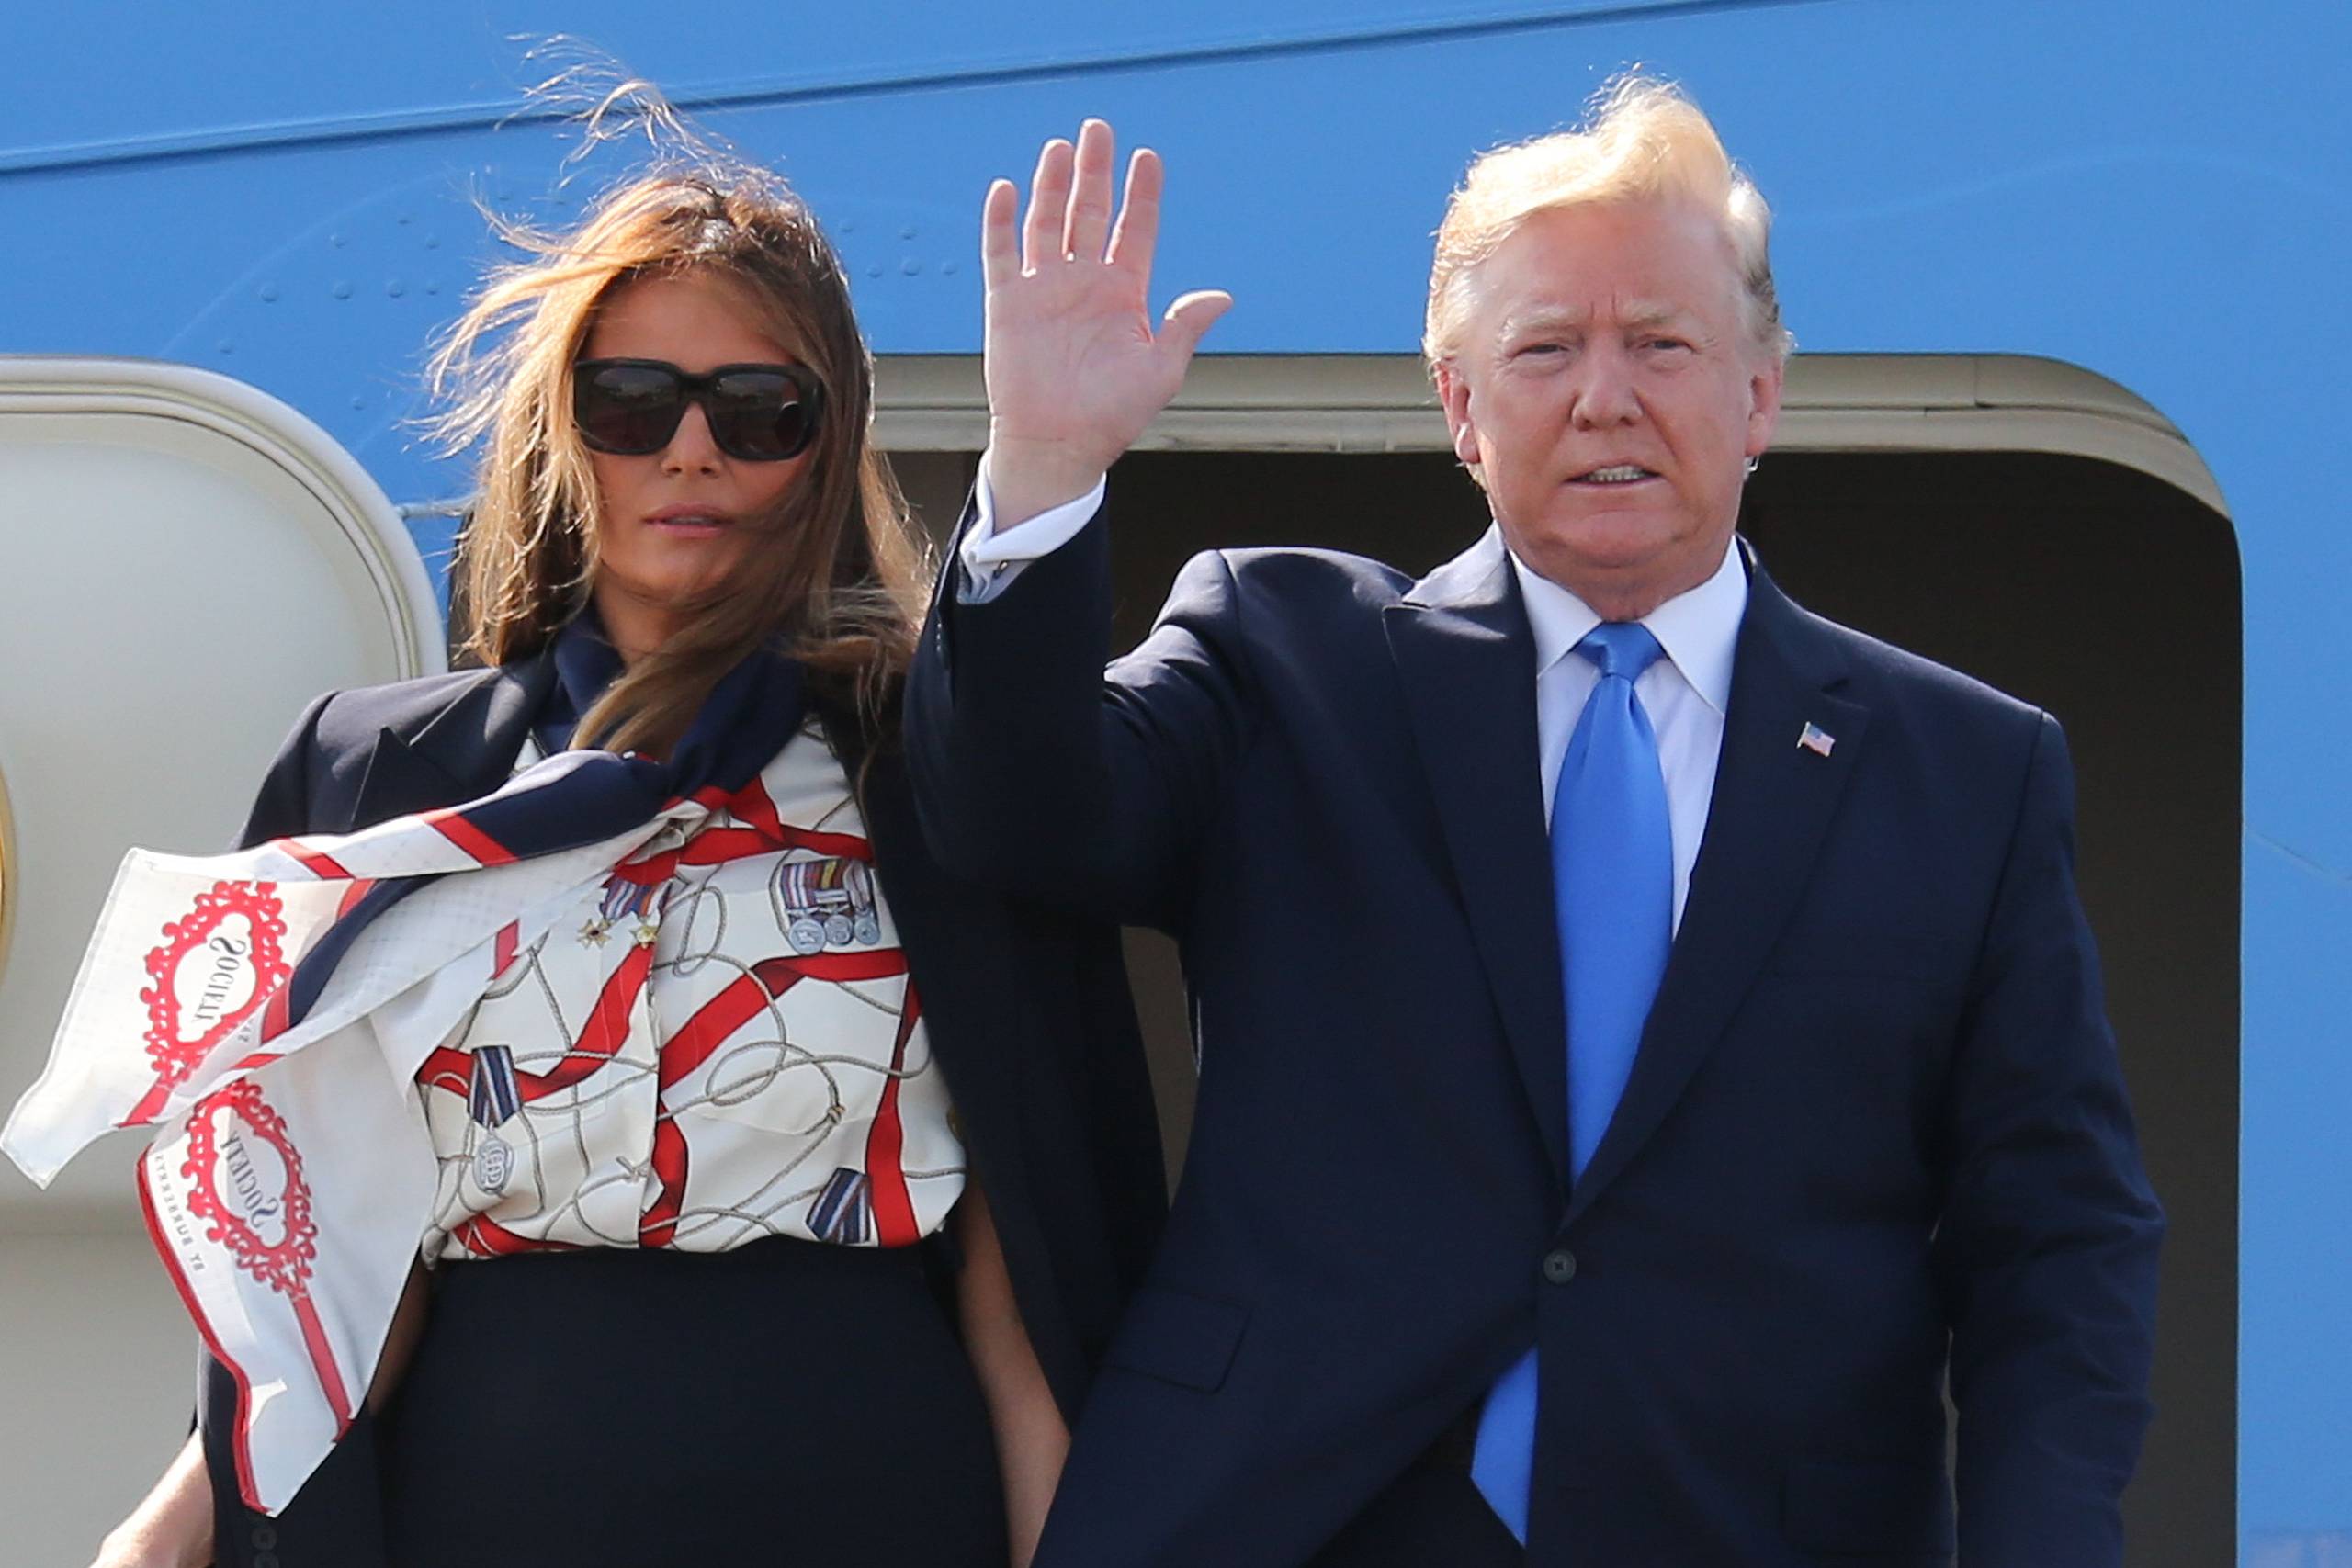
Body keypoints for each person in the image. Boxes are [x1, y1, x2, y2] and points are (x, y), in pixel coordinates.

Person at [904, 81, 2165, 1566]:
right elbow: (1016, 819)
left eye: (1663, 344)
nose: (1604, 396)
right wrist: (1044, 472)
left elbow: (2057, 1245)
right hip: (1303, 1520)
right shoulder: (1285, 656)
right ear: (1460, 410)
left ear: (1760, 393)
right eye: (1546, 348)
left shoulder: (1966, 771)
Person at [13, 150, 1164, 1568]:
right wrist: (172, 1529)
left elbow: (1016, 1253)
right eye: (633, 403)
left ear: (827, 442)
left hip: (869, 1480)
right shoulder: (391, 779)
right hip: (486, 1492)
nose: (691, 452)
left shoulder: (922, 774)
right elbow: (332, 1259)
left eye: (759, 411)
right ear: (563, 429)